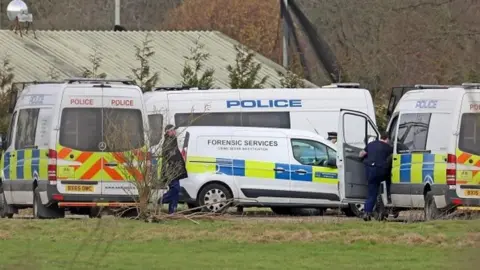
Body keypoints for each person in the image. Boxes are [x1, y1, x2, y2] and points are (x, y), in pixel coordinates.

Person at [359, 131, 393, 221]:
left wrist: (365, 159)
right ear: (387, 139)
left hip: (370, 171)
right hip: (381, 172)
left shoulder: (371, 144)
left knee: (371, 193)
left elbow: (361, 154)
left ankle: (367, 212)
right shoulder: (389, 148)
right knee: (388, 181)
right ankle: (388, 199)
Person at [159, 124, 188, 214]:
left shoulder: (173, 140)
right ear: (168, 132)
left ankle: (172, 212)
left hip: (176, 170)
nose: (174, 132)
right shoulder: (167, 142)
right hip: (171, 170)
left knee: (175, 192)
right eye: (172, 130)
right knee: (176, 189)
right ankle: (162, 199)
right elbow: (169, 157)